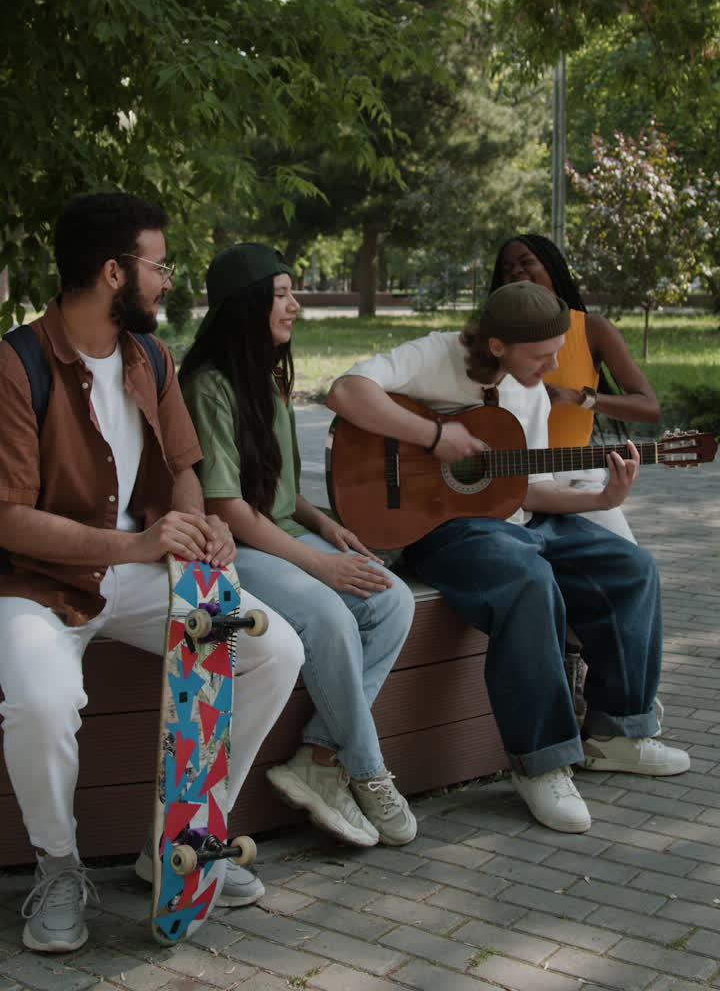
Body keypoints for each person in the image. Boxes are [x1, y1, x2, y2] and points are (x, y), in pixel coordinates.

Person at [0, 194, 304, 955]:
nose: (168, 281)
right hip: (36, 585)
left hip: (136, 574)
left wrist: (198, 531)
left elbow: (184, 466)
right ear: (113, 273)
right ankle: (61, 869)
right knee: (41, 699)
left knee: (276, 649)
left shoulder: (152, 358)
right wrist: (139, 549)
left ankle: (183, 838)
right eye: (158, 265)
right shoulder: (15, 363)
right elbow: (6, 518)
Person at [326, 281, 689, 836]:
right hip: (446, 528)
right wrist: (435, 433)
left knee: (631, 568)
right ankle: (541, 762)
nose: (551, 368)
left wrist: (600, 500)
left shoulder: (532, 390)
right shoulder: (437, 355)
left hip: (518, 521)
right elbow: (346, 392)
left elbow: (529, 489)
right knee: (527, 577)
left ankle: (618, 731)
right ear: (498, 345)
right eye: (542, 356)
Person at [179, 243, 417, 851]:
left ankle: (318, 754)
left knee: (394, 600)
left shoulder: (269, 377)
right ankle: (365, 768)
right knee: (331, 611)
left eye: (292, 292)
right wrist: (318, 562)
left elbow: (279, 491)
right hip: (236, 543)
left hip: (282, 528)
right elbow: (227, 506)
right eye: (282, 294)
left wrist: (325, 523)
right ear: (249, 305)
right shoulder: (209, 386)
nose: (295, 304)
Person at [489, 233, 661, 541]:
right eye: (507, 268)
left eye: (527, 263)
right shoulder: (491, 338)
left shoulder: (592, 329)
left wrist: (582, 399)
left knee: (629, 563)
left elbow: (649, 407)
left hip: (575, 477)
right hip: (503, 478)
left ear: (553, 269)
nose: (515, 272)